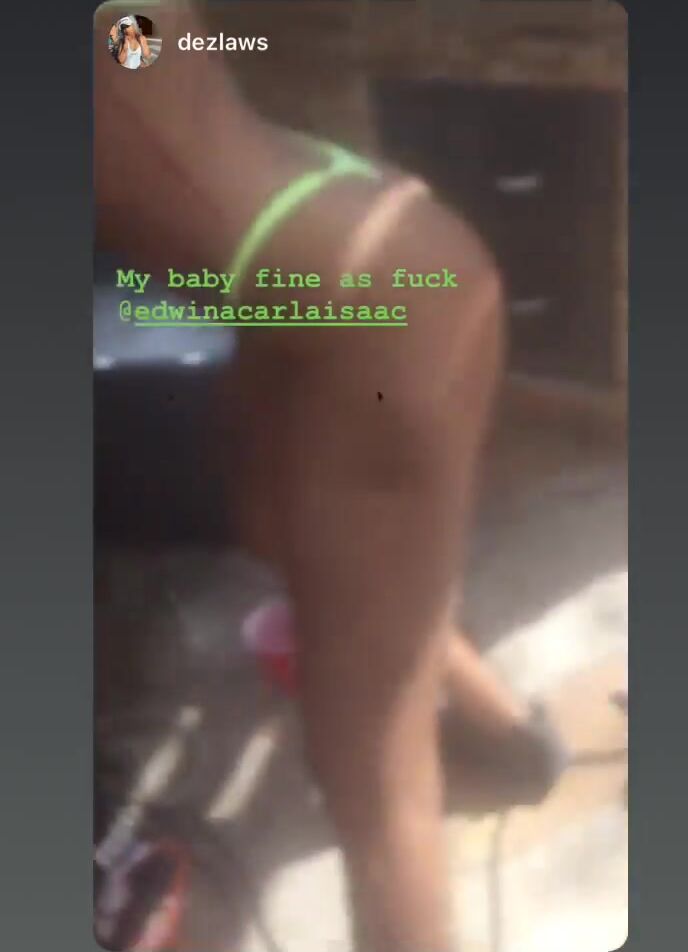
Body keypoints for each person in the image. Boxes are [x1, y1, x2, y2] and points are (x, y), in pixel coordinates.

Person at [95, 4, 567, 950]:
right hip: (306, 268)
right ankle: (510, 736)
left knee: (374, 780)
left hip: (367, 301)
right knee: (284, 531)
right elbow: (174, 51)